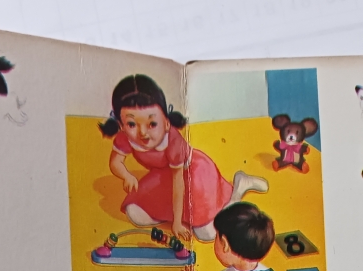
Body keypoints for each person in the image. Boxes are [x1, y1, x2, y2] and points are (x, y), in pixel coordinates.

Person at [100, 74, 268, 249]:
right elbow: (115, 163)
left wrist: (177, 223)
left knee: (207, 233)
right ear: (121, 125)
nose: (143, 133)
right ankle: (175, 213)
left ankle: (238, 188)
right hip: (163, 177)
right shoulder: (124, 138)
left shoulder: (174, 142)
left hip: (195, 176)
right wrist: (126, 175)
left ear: (166, 122)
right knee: (135, 214)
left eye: (152, 124)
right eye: (132, 124)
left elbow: (179, 184)